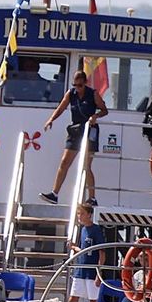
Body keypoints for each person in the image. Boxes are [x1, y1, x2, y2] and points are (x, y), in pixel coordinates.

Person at [40, 70, 109, 204]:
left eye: (80, 85)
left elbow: (104, 110)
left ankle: (92, 197)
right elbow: (61, 108)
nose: (78, 88)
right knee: (64, 162)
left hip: (89, 130)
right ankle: (54, 194)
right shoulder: (71, 94)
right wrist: (51, 119)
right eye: (75, 85)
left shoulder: (93, 94)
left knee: (86, 165)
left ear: (85, 83)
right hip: (76, 130)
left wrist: (96, 116)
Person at [67, 203, 105, 302]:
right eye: (79, 214)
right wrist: (74, 247)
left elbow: (101, 252)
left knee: (93, 300)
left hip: (91, 272)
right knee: (73, 298)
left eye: (82, 213)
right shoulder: (83, 229)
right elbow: (84, 249)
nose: (79, 216)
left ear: (89, 214)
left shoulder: (96, 230)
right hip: (80, 270)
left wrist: (98, 272)